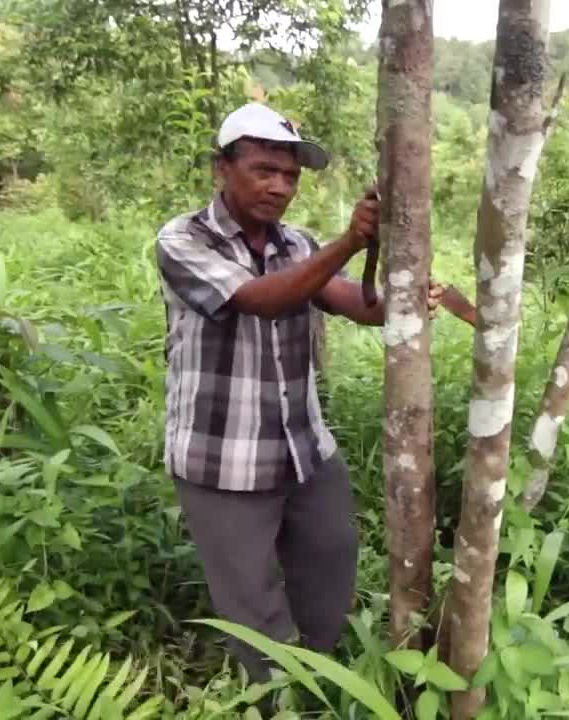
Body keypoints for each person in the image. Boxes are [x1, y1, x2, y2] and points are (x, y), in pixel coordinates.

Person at [153, 102, 476, 689]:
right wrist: (350, 240)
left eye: (291, 176)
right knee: (251, 603)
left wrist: (407, 293)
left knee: (330, 564)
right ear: (221, 169)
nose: (279, 186)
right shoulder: (183, 240)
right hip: (221, 460)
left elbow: (356, 303)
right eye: (263, 170)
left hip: (302, 449)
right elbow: (260, 299)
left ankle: (323, 680)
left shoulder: (295, 244)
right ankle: (275, 697)